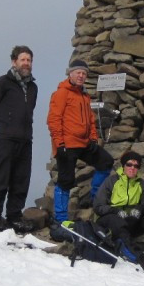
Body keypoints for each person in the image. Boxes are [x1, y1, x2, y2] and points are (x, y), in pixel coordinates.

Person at [47, 59, 114, 227]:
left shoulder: (84, 95)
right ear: (70, 73)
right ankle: (61, 218)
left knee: (106, 162)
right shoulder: (62, 93)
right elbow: (53, 120)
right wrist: (59, 144)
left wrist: (93, 139)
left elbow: (91, 120)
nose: (81, 76)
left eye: (84, 73)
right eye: (78, 72)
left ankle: (95, 197)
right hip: (67, 144)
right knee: (65, 180)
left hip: (84, 143)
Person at [0, 45, 38, 233]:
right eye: (23, 59)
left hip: (25, 140)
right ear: (14, 62)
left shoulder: (33, 87)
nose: (26, 63)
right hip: (5, 138)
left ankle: (14, 216)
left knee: (21, 180)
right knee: (0, 178)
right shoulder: (2, 83)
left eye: (29, 60)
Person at [93, 151, 144, 271]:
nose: (132, 168)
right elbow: (98, 206)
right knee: (116, 222)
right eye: (129, 164)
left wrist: (139, 208)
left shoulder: (141, 184)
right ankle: (137, 256)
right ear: (123, 166)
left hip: (132, 221)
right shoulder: (111, 181)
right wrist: (115, 210)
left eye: (136, 166)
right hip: (110, 222)